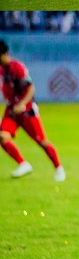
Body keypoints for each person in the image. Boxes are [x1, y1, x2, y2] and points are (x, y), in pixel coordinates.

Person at [0, 40, 65, 181]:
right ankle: (23, 164)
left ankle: (58, 167)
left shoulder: (17, 68)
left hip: (26, 111)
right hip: (11, 110)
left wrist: (22, 104)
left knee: (42, 141)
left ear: (5, 54)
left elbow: (31, 88)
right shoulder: (1, 71)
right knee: (2, 136)